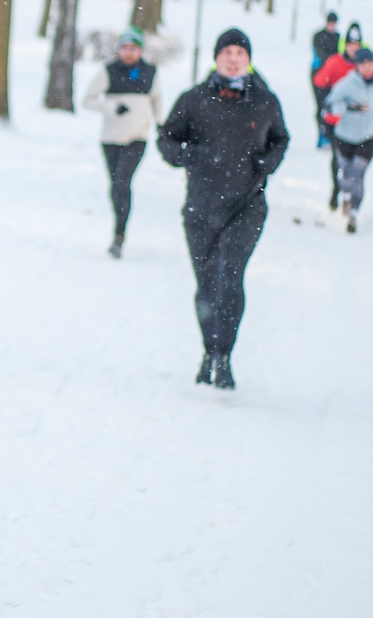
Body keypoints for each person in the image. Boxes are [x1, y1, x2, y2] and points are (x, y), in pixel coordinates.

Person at [158, 28, 289, 390]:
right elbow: (166, 138)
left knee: (229, 277)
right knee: (206, 285)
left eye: (240, 52)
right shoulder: (195, 99)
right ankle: (208, 350)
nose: (233, 58)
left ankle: (225, 356)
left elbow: (282, 138)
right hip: (201, 206)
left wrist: (268, 163)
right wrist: (190, 156)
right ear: (217, 57)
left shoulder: (264, 101)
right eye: (227, 51)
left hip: (246, 205)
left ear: (249, 59)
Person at [82, 25, 164, 259]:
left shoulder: (151, 72)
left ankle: (119, 236)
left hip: (138, 137)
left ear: (140, 50)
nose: (128, 53)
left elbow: (157, 99)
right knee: (115, 185)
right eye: (124, 48)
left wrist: (161, 122)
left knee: (122, 182)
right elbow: (87, 100)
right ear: (119, 50)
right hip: (110, 139)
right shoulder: (108, 71)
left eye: (133, 48)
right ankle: (119, 224)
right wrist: (110, 107)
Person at [323, 47, 373, 233]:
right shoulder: (347, 84)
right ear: (357, 66)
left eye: (370, 63)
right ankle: (345, 195)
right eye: (363, 64)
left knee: (358, 174)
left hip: (368, 138)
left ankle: (353, 214)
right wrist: (348, 107)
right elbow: (329, 106)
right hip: (344, 137)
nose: (367, 67)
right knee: (346, 174)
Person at [314, 25, 361, 210]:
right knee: (337, 159)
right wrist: (327, 103)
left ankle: (349, 196)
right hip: (336, 122)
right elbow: (319, 82)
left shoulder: (364, 65)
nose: (354, 48)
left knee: (355, 163)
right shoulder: (335, 62)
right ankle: (336, 189)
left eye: (357, 44)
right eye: (350, 44)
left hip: (358, 124)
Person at [312, 12, 340, 146]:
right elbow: (319, 54)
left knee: (332, 104)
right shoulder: (318, 36)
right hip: (318, 74)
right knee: (320, 105)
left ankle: (330, 134)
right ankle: (321, 133)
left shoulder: (338, 37)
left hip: (333, 76)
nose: (331, 26)